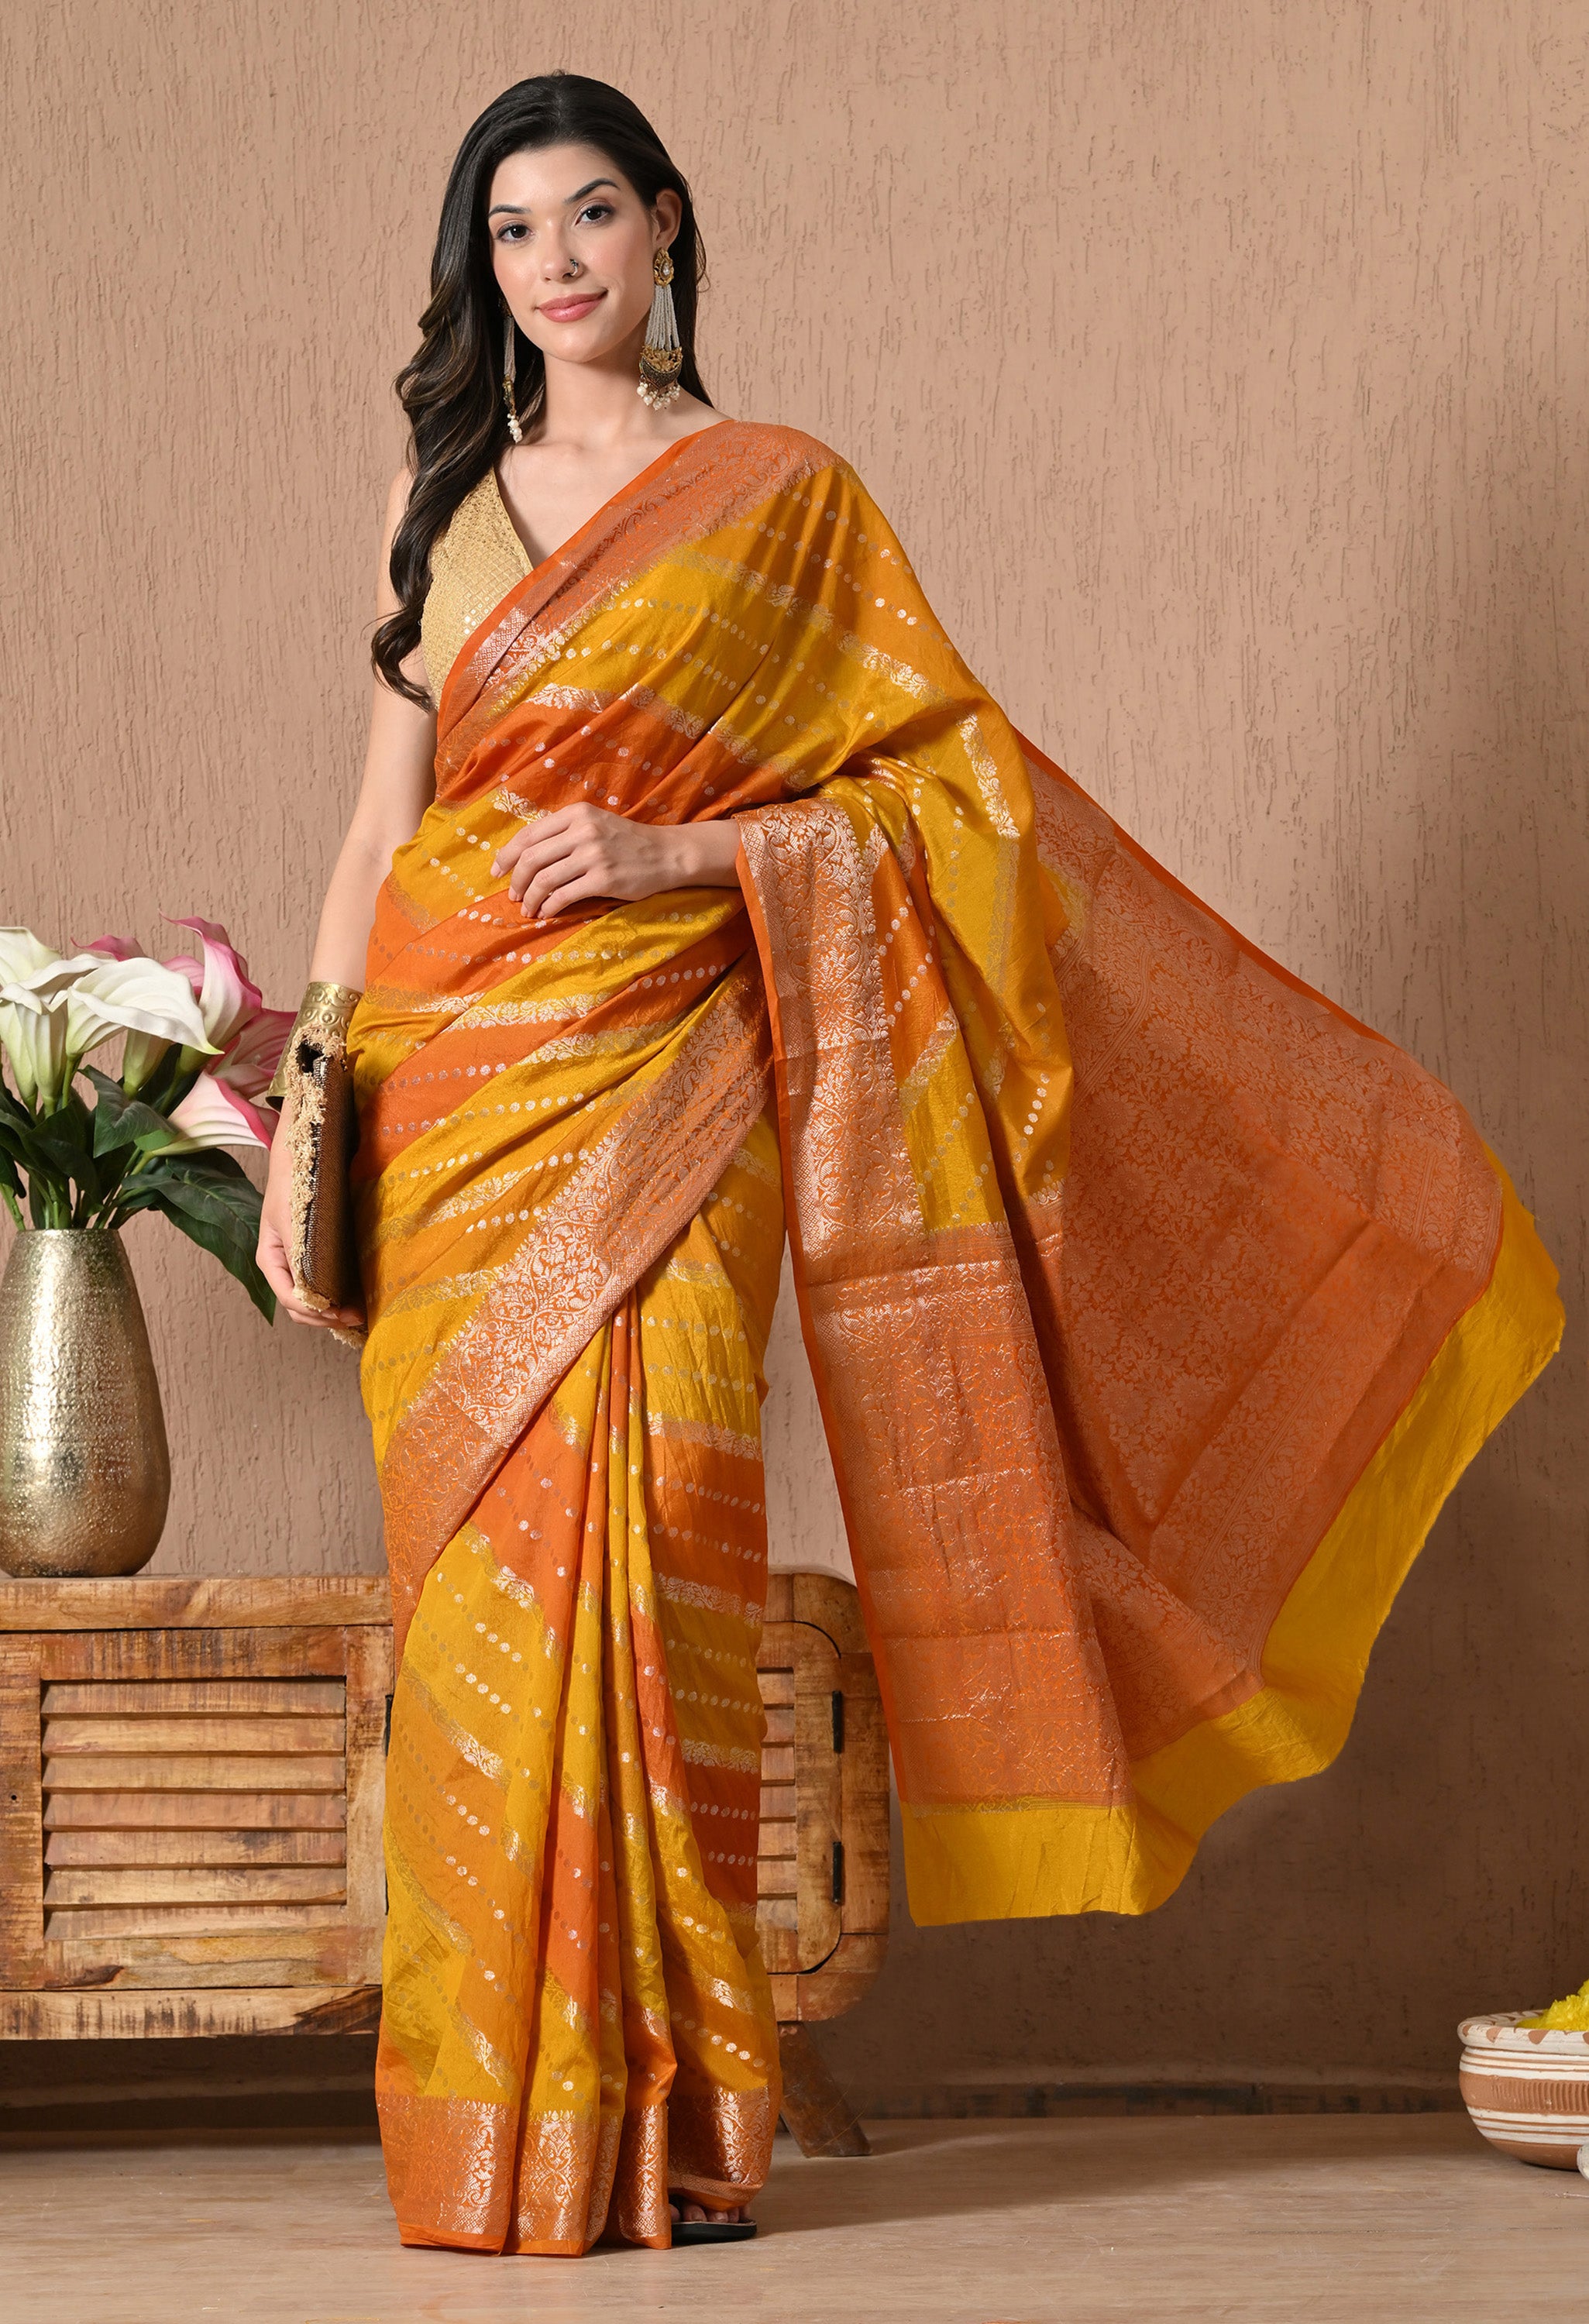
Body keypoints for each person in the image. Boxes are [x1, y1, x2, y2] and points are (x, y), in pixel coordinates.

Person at [256, 71, 1562, 2258]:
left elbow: (942, 805)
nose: (557, 262)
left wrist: (676, 846)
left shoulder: (780, 502)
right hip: (455, 1092)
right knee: (480, 1605)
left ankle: (662, 2125)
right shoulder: (440, 505)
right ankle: (497, 2136)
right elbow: (375, 835)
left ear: (667, 228)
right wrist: (316, 1094)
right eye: (513, 231)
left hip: (675, 1072)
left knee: (662, 1548)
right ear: (479, 267)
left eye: (594, 215)